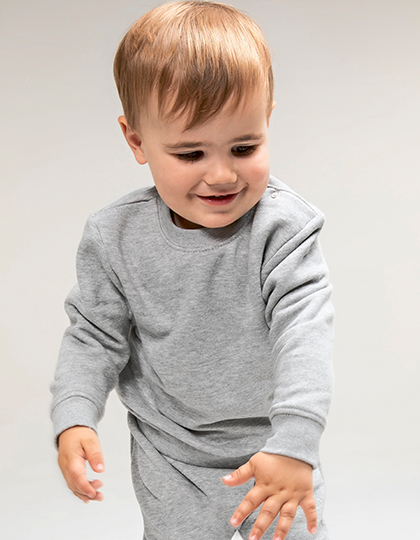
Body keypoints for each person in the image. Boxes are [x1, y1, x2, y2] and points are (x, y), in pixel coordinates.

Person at [50, 2, 334, 540]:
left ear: (267, 120)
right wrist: (75, 414)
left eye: (244, 147)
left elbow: (305, 333)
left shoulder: (284, 229)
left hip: (274, 450)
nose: (222, 174)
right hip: (171, 457)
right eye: (190, 154)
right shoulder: (115, 237)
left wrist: (296, 442)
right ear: (137, 141)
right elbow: (93, 336)